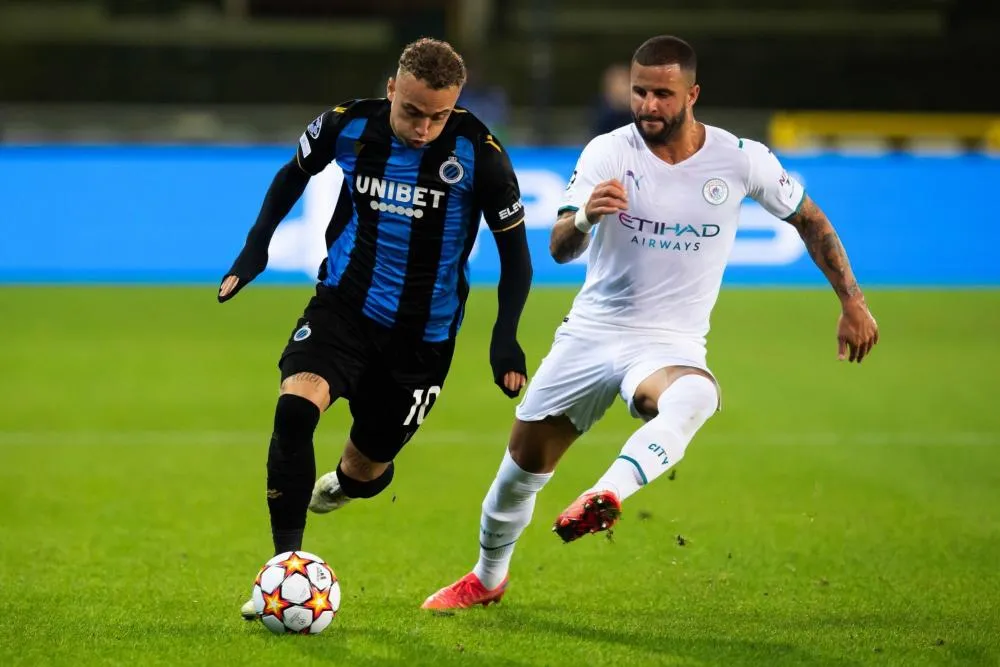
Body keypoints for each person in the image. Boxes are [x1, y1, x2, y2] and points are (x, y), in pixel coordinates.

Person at [422, 35, 879, 610]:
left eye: (662, 94)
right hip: (590, 334)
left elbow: (810, 221)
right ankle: (487, 580)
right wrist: (586, 216)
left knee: (696, 395)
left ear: (693, 93)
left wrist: (852, 303)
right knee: (518, 475)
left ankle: (607, 492)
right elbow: (560, 247)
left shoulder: (740, 159)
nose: (648, 106)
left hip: (668, 342)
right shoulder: (608, 152)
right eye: (640, 92)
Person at [216, 38, 533, 619]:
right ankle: (284, 569)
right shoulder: (348, 126)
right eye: (412, 111)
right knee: (293, 413)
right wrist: (253, 249)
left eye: (438, 115)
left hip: (421, 341)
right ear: (392, 88)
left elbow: (517, 256)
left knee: (367, 472)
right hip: (343, 309)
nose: (423, 128)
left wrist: (504, 335)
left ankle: (344, 484)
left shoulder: (480, 155)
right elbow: (293, 174)